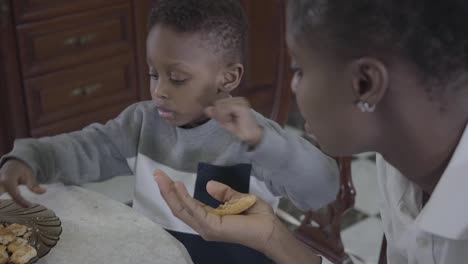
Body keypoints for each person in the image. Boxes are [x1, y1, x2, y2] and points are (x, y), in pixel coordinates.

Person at [0, 0, 340, 263]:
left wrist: (266, 143)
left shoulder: (258, 141)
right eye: (153, 74)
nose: (160, 90)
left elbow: (322, 187)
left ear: (228, 78)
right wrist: (31, 158)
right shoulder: (140, 123)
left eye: (177, 78)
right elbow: (83, 148)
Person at [154, 0, 468, 263]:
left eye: (299, 70)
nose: (294, 87)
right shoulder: (398, 164)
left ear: (364, 83)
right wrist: (272, 236)